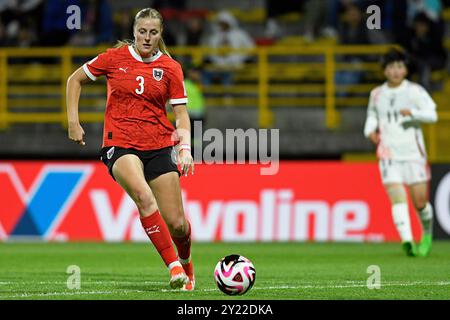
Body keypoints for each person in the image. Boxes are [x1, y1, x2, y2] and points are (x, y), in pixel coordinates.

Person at [66, 8, 195, 291]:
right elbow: (74, 79)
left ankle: (186, 263)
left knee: (178, 225)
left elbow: (181, 114)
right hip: (119, 142)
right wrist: (73, 122)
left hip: (159, 145)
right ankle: (174, 267)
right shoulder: (114, 58)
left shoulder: (171, 68)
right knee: (143, 197)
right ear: (133, 32)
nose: (147, 38)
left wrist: (185, 148)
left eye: (153, 32)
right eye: (142, 32)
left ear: (161, 34)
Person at [364, 48, 438, 257]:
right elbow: (372, 115)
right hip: (389, 155)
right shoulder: (377, 94)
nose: (395, 71)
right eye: (391, 67)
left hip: (413, 154)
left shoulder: (415, 91)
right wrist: (370, 131)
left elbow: (432, 115)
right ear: (384, 71)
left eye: (399, 66)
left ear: (405, 70)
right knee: (398, 199)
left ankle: (426, 234)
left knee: (420, 203)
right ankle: (407, 240)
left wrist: (413, 113)